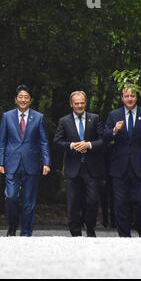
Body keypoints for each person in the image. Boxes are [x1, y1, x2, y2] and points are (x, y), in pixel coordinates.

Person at [0, 84, 51, 237]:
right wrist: (0, 162)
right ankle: (13, 225)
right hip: (11, 162)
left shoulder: (38, 117)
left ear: (30, 100)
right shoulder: (7, 116)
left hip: (32, 163)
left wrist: (46, 162)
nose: (23, 100)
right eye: (20, 97)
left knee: (29, 201)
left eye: (26, 97)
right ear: (15, 99)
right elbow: (2, 141)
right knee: (10, 196)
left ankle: (26, 232)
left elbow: (44, 142)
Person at [53, 91, 105, 237]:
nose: (79, 105)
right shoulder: (64, 121)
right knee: (73, 202)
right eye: (76, 103)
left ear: (86, 103)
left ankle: (90, 227)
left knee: (92, 200)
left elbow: (103, 141)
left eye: (82, 102)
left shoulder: (94, 119)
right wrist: (71, 145)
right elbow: (57, 142)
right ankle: (75, 232)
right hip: (73, 168)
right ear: (71, 104)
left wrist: (88, 144)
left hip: (91, 168)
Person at [103, 86, 141, 237]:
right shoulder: (114, 115)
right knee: (120, 204)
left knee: (139, 203)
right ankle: (124, 237)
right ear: (122, 98)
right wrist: (114, 130)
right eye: (127, 96)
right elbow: (105, 138)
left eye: (132, 95)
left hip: (140, 166)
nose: (130, 98)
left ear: (136, 97)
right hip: (119, 168)